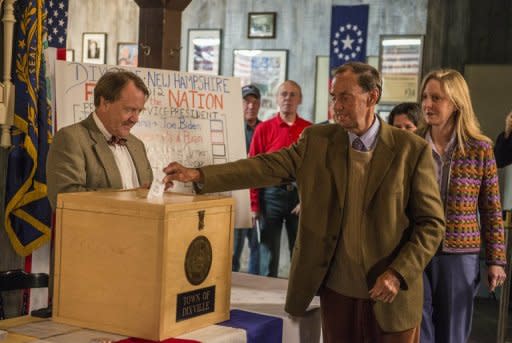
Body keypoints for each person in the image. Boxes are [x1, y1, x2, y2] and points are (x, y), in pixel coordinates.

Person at [163, 62, 445, 343]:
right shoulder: (318, 140)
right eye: (334, 97)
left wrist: (398, 273)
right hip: (337, 295)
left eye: (345, 97)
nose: (337, 106)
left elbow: (431, 225)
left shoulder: (411, 150)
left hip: (391, 298)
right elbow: (264, 167)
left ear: (372, 97)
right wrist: (200, 175)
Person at [416, 69, 506, 343]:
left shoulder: (480, 149)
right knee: (418, 331)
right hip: (416, 250)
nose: (427, 105)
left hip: (460, 255)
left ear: (456, 103)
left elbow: (491, 208)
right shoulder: (412, 144)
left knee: (453, 334)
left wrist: (496, 260)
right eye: (425, 97)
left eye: (436, 98)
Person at [47, 70, 153, 209]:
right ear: (104, 103)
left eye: (139, 111)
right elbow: (64, 198)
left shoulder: (137, 145)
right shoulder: (71, 139)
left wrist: (156, 192)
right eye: (129, 110)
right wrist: (128, 197)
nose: (135, 119)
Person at [248, 80, 312, 277]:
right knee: (269, 256)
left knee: (300, 255)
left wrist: (307, 200)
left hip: (299, 199)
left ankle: (296, 300)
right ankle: (266, 302)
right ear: (276, 98)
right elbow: (253, 170)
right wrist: (254, 206)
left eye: (293, 94)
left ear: (300, 99)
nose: (288, 98)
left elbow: (316, 170)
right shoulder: (264, 129)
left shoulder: (310, 130)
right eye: (284, 94)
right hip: (271, 197)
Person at [231, 84, 262, 274]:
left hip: (259, 196)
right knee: (234, 246)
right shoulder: (232, 129)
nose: (250, 106)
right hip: (236, 194)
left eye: (254, 102)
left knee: (257, 246)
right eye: (246, 101)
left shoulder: (265, 128)